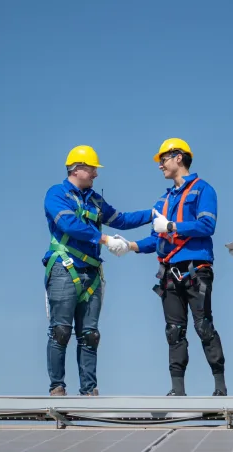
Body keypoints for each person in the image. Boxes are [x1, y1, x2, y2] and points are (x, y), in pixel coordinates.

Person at [43, 145, 150, 396]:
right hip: (65, 268)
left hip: (91, 273)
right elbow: (69, 224)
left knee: (90, 335)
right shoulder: (56, 194)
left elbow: (121, 219)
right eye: (92, 169)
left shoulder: (94, 200)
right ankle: (57, 389)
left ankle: (89, 392)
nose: (96, 174)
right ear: (77, 169)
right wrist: (104, 239)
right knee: (60, 331)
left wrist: (154, 213)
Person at [123, 138, 227, 396]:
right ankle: (177, 390)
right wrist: (130, 246)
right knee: (174, 331)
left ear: (178, 157)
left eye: (163, 160)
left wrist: (172, 226)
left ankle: (220, 388)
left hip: (196, 270)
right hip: (169, 273)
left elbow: (207, 225)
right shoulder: (163, 200)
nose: (160, 165)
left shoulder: (203, 190)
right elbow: (155, 239)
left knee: (203, 325)